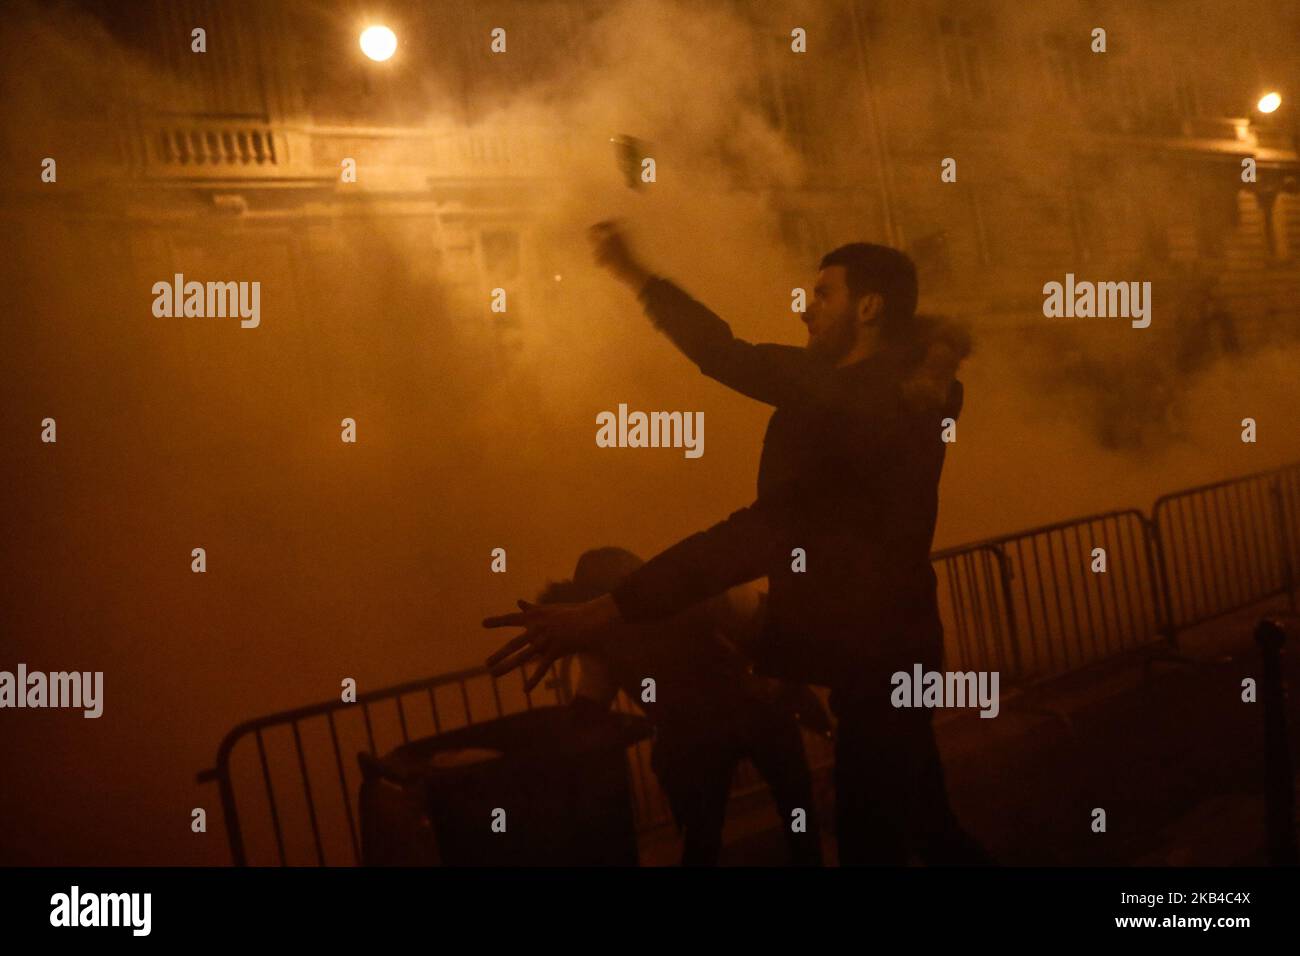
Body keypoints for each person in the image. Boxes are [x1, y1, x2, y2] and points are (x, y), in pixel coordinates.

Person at [486, 222, 989, 865]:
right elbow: (721, 350)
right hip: (892, 653)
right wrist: (640, 278)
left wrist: (608, 607)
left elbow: (752, 536)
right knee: (925, 828)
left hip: (879, 664)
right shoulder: (883, 389)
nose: (806, 308)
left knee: (878, 839)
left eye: (823, 294)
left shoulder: (853, 406)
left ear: (869, 308)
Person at [537, 547, 824, 866]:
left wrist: (555, 746)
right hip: (754, 710)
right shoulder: (694, 593)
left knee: (703, 832)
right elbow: (761, 625)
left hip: (693, 734)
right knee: (795, 807)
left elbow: (592, 696)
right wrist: (788, 683)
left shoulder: (602, 637)